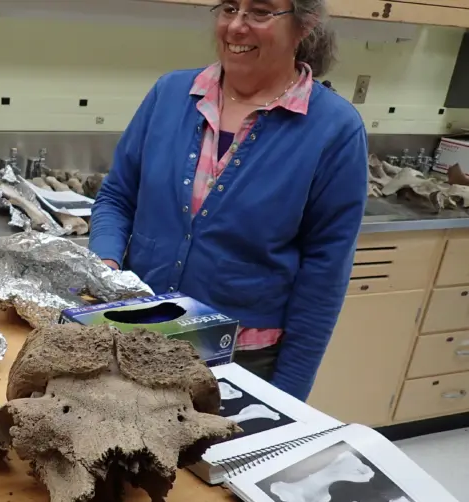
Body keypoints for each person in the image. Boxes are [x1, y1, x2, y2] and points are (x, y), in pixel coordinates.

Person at [89, 0, 367, 401]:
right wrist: (106, 264)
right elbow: (117, 196)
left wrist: (288, 394)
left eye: (259, 12)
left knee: (210, 465)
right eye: (229, 7)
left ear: (304, 26)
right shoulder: (171, 94)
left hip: (239, 362)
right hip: (138, 337)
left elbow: (324, 273)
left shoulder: (334, 129)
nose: (236, 26)